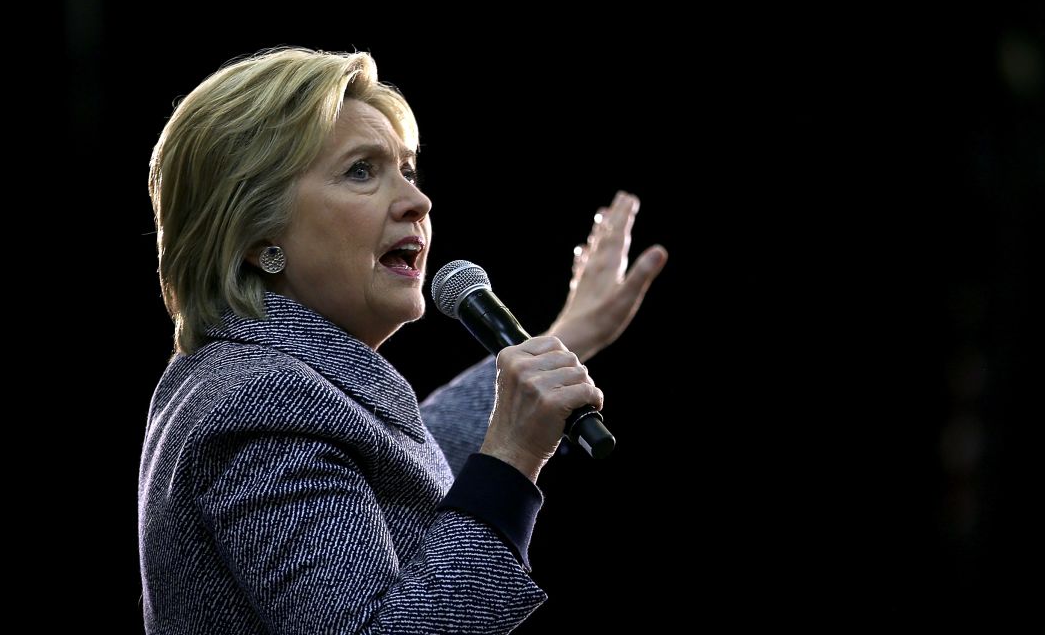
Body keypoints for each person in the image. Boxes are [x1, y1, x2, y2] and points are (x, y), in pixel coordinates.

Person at [138, 47, 668, 634]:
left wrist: (570, 334)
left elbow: (403, 459)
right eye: (361, 170)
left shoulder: (247, 378)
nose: (419, 201)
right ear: (255, 233)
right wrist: (512, 459)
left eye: (407, 169)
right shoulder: (263, 403)